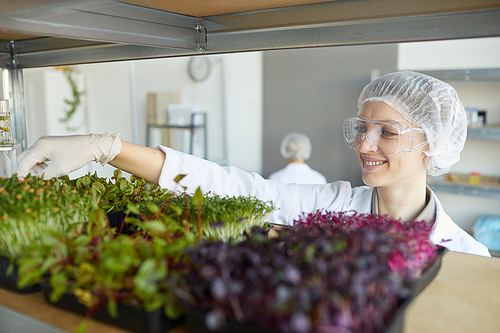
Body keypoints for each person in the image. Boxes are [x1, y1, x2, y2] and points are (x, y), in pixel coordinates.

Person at [16, 71, 490, 257]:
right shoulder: (333, 205)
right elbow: (228, 186)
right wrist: (106, 148)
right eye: (362, 127)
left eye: (386, 132)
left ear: (432, 146)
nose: (365, 144)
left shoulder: (469, 255)